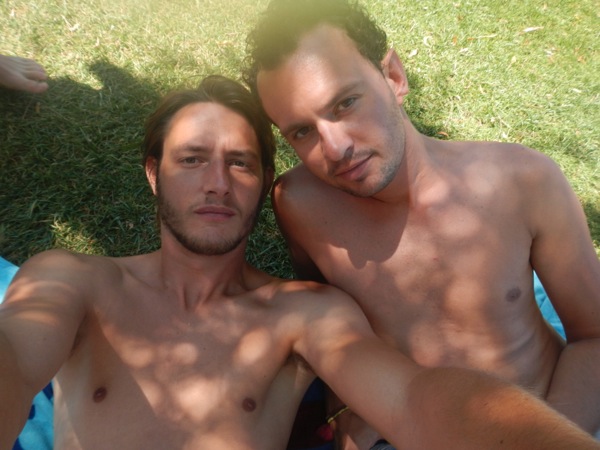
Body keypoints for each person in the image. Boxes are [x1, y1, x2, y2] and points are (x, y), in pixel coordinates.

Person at [1, 75, 598, 450]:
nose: (217, 183)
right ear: (154, 174)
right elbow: (15, 357)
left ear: (265, 183)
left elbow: (414, 399)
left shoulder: (303, 314)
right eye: (192, 160)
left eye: (240, 163)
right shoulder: (71, 280)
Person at [243, 0, 600, 448]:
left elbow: (594, 338)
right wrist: (346, 408)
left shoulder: (524, 182)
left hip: (555, 419)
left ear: (393, 76)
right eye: (302, 131)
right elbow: (331, 317)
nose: (334, 149)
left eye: (346, 103)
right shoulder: (299, 205)